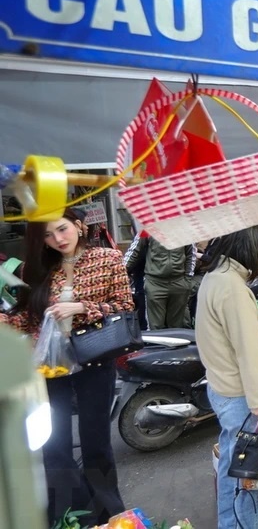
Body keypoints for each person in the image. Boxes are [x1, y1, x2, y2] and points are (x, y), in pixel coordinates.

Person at [0, 208, 133, 525]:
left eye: (61, 230)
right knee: (53, 444)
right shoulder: (38, 268)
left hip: (95, 362)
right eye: (47, 235)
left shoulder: (108, 258)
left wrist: (82, 307)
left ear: (78, 225)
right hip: (50, 367)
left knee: (95, 444)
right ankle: (72, 514)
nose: (56, 239)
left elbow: (125, 306)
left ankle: (108, 513)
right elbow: (27, 317)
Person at [195, 224, 258, 529]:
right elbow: (247, 349)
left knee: (232, 466)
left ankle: (229, 524)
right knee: (249, 478)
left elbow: (224, 325)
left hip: (221, 387)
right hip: (240, 394)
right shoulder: (233, 286)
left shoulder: (216, 276)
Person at [124, 233, 196, 329]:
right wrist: (120, 272)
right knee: (155, 327)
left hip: (178, 282)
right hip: (155, 283)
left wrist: (187, 280)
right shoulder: (148, 227)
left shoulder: (184, 228)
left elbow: (191, 254)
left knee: (177, 327)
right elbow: (134, 251)